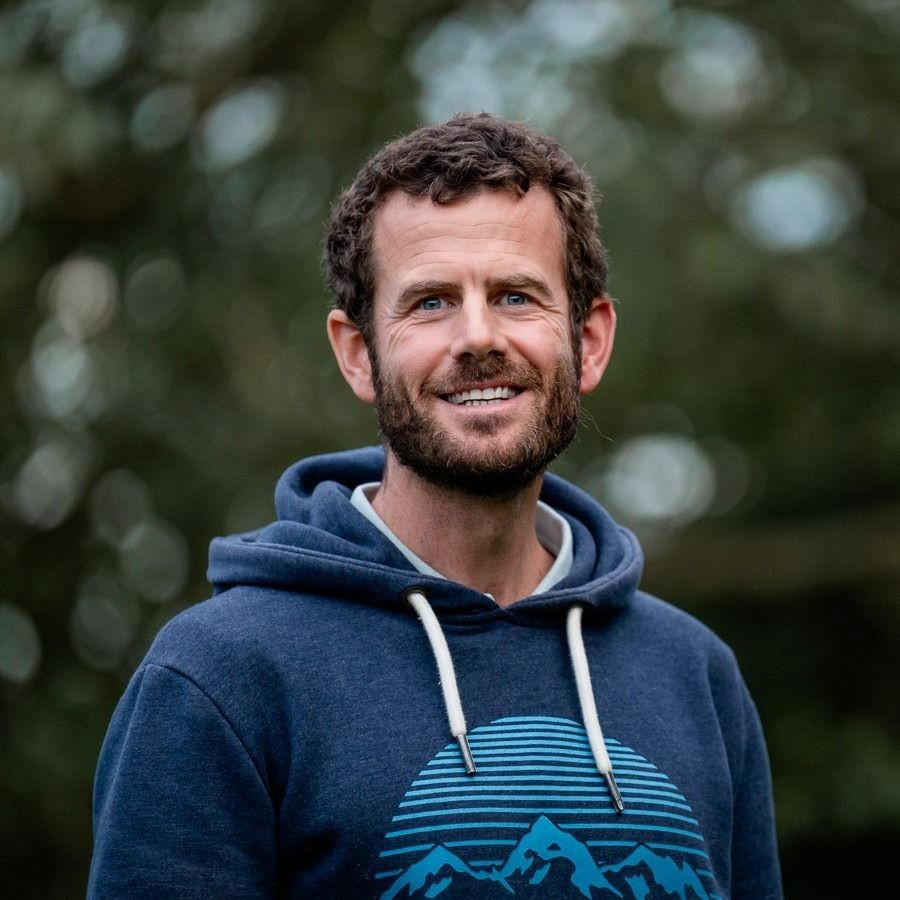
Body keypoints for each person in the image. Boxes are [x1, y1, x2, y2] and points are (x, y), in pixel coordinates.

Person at [88, 113, 782, 899]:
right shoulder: (219, 680)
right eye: (429, 303)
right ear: (359, 354)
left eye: (517, 296)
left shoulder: (695, 675)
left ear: (588, 341)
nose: (478, 336)